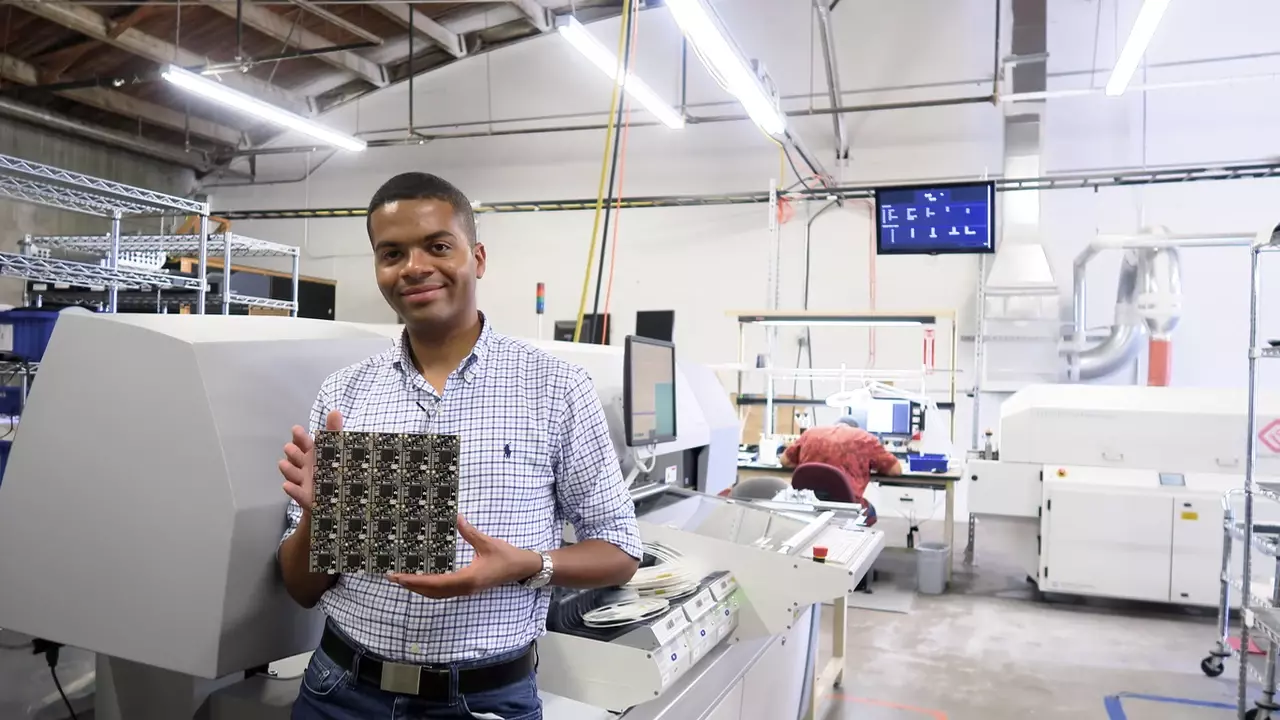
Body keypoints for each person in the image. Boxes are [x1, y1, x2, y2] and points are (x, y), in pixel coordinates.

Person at [276, 172, 643, 720]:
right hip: (340, 692)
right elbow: (302, 589)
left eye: (438, 246)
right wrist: (316, 520)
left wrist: (524, 565)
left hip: (484, 700)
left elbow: (619, 552)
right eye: (392, 253)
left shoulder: (556, 388)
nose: (415, 267)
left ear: (478, 257)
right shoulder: (344, 393)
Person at [779, 415, 902, 522]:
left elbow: (785, 461)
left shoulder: (810, 433)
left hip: (808, 504)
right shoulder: (865, 438)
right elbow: (895, 470)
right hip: (847, 506)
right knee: (871, 513)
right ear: (855, 428)